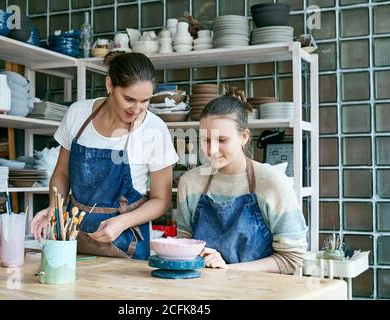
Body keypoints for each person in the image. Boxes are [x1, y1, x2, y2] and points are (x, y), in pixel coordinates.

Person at [30, 52, 179, 260]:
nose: (136, 109)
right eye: (128, 99)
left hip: (127, 245)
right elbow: (62, 174)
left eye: (145, 101)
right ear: (110, 84)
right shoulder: (78, 114)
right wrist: (54, 209)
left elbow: (161, 200)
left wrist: (122, 222)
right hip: (73, 240)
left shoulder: (154, 129)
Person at [177, 87, 308, 274]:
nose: (212, 150)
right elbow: (184, 246)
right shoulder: (190, 183)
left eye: (221, 140)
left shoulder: (272, 182)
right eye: (206, 140)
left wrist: (228, 269)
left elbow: (291, 259)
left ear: (244, 137)